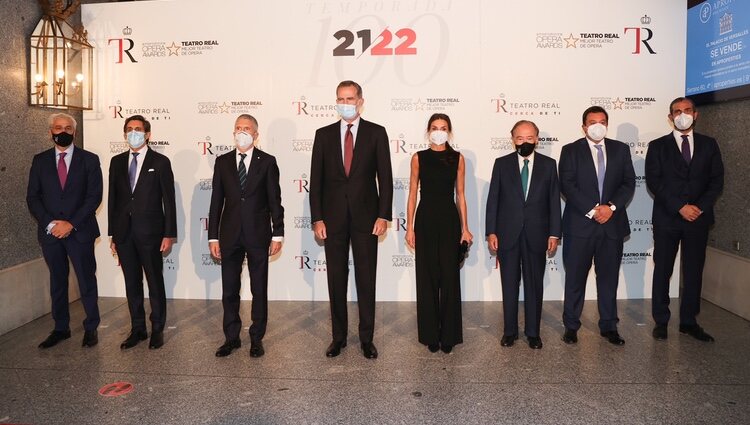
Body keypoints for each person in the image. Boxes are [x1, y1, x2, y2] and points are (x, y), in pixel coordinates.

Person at [309, 80, 393, 359]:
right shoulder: (323, 135)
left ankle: (367, 338)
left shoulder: (376, 133)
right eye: (340, 98)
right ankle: (338, 337)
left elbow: (386, 179)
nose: (345, 102)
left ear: (360, 100)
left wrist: (383, 215)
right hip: (332, 220)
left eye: (350, 98)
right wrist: (317, 218)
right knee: (336, 279)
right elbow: (316, 182)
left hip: (367, 218)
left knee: (366, 279)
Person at [646, 97, 724, 342]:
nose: (682, 114)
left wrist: (698, 207)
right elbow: (654, 181)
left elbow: (716, 181)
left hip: (698, 219)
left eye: (687, 110)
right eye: (677, 111)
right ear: (670, 117)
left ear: (695, 114)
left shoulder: (709, 145)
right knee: (663, 269)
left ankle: (689, 322)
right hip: (668, 218)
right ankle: (661, 321)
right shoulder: (657, 146)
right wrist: (680, 206)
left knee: (693, 271)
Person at [208, 114, 284, 358]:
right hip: (229, 236)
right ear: (233, 132)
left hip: (258, 234)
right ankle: (231, 338)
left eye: (247, 129)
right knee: (230, 290)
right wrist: (213, 237)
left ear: (256, 134)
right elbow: (216, 202)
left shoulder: (268, 162)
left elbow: (275, 201)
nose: (242, 132)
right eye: (238, 128)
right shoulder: (222, 162)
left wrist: (278, 234)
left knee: (258, 289)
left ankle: (256, 338)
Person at [559, 106, 635, 346]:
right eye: (592, 122)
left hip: (611, 225)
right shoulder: (570, 150)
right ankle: (571, 326)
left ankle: (609, 326)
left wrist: (610, 208)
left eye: (602, 121)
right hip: (580, 226)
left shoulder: (621, 150)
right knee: (575, 279)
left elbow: (628, 183)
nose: (597, 125)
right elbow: (567, 185)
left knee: (609, 279)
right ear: (584, 126)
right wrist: (594, 210)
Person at [27, 113, 102, 349]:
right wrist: (51, 224)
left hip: (80, 231)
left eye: (68, 128)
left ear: (74, 132)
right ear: (50, 132)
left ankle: (91, 327)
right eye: (58, 128)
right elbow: (33, 197)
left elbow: (94, 197)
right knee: (57, 281)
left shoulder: (89, 159)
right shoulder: (39, 161)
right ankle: (61, 328)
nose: (63, 132)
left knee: (86, 280)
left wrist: (71, 224)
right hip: (50, 234)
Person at [485, 120, 561, 350]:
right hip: (507, 234)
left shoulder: (549, 165)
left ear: (537, 139)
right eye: (520, 138)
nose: (525, 142)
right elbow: (493, 200)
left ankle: (533, 333)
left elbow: (554, 201)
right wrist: (491, 231)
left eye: (529, 138)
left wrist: (554, 234)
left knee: (534, 285)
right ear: (513, 139)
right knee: (509, 284)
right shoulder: (502, 164)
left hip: (537, 234)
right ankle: (509, 332)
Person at [108, 115, 177, 350]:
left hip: (151, 234)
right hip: (124, 234)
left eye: (138, 129)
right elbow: (113, 201)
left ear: (148, 134)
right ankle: (138, 329)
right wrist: (113, 235)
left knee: (155, 282)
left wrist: (169, 234)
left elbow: (169, 200)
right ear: (124, 133)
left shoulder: (160, 162)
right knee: (131, 283)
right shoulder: (116, 162)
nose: (133, 133)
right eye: (129, 129)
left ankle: (157, 328)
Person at [405, 114, 472, 354]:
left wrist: (465, 227)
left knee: (450, 277)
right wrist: (409, 228)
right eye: (435, 128)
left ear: (450, 132)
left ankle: (450, 336)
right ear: (428, 131)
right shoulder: (418, 158)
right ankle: (430, 335)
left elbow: (461, 195)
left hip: (449, 219)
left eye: (443, 128)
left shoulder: (457, 158)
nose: (439, 131)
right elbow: (413, 193)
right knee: (427, 277)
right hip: (424, 219)